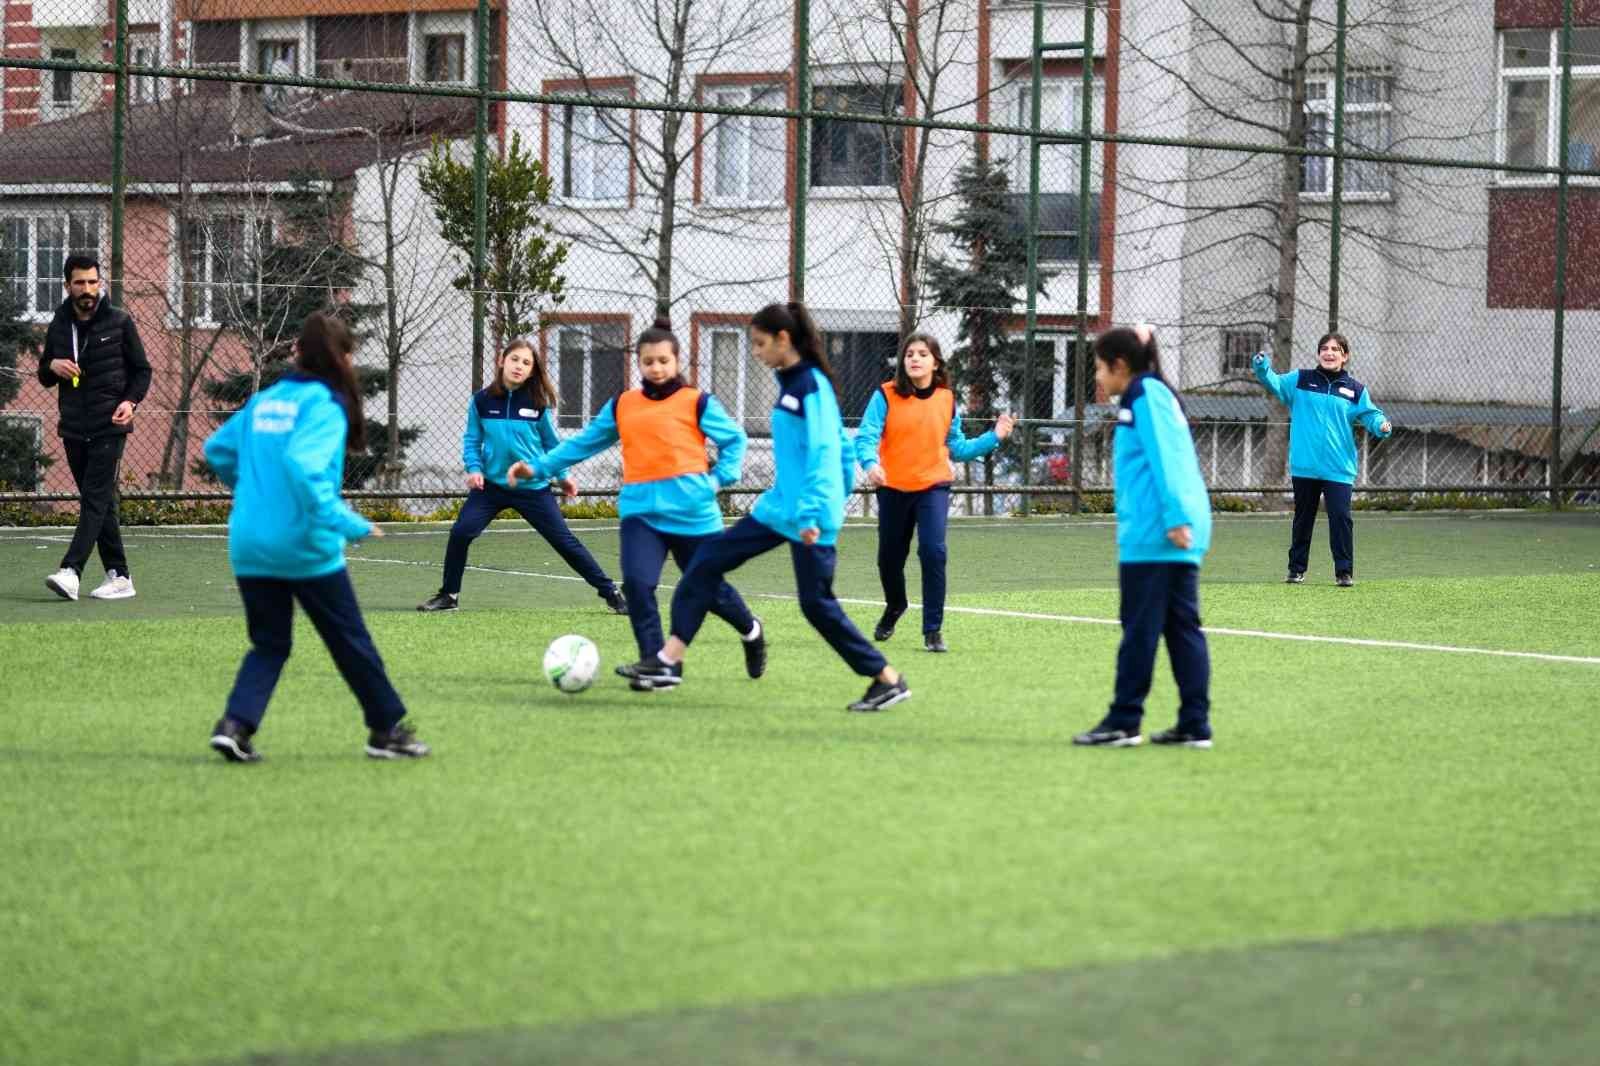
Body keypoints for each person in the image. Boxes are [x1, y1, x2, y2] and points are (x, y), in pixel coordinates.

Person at [626, 302, 910, 712]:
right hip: (780, 509)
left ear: (783, 340)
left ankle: (886, 679)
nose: (755, 352)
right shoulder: (793, 381)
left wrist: (817, 510)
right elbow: (841, 450)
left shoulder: (810, 385)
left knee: (817, 606)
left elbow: (826, 450)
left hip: (808, 516)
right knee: (705, 562)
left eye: (760, 344)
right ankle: (669, 661)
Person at [202, 312, 428, 762]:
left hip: (250, 542)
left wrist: (255, 493)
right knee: (350, 640)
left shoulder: (265, 401)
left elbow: (217, 451)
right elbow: (305, 470)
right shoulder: (324, 407)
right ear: (343, 357)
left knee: (269, 642)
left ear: (298, 353)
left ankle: (235, 726)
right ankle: (385, 732)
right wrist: (350, 523)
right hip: (303, 544)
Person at [508, 317, 767, 686]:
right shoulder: (623, 405)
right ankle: (657, 664)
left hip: (694, 516)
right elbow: (581, 444)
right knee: (637, 584)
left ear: (677, 362)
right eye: (649, 362)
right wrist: (536, 469)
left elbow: (734, 441)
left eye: (664, 361)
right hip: (641, 514)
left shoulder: (697, 402)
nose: (656, 368)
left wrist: (718, 479)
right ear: (639, 363)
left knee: (708, 591)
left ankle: (751, 630)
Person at [1074, 325, 1214, 749]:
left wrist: (1174, 516)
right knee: (1181, 627)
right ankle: (1194, 723)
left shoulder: (1144, 395)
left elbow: (1166, 456)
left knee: (1139, 628)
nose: (1098, 377)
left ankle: (1123, 719)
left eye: (1099, 367)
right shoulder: (1155, 392)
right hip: (1170, 529)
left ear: (1120, 365)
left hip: (1158, 532)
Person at [416, 338, 625, 614]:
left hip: (533, 488)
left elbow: (553, 445)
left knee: (564, 541)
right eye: (515, 359)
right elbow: (471, 440)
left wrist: (563, 476)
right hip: (490, 488)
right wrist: (475, 469)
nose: (519, 366)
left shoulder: (538, 403)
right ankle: (448, 596)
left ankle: (612, 594)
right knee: (461, 532)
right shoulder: (481, 401)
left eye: (526, 363)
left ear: (531, 371)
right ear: (502, 361)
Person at [853, 332, 1015, 653]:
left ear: (935, 362)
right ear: (902, 361)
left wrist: (994, 436)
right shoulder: (884, 395)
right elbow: (866, 437)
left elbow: (957, 448)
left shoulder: (947, 399)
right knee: (889, 560)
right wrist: (871, 464)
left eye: (922, 354)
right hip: (893, 488)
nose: (914, 358)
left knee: (933, 552)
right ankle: (895, 605)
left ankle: (932, 630)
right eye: (909, 353)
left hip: (933, 487)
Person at [38, 254, 150, 602]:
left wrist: (130, 402)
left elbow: (142, 371)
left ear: (100, 283)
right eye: (79, 282)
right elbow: (44, 374)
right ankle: (120, 576)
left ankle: (71, 570)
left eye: (92, 281)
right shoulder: (58, 324)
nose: (87, 289)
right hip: (73, 427)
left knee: (95, 498)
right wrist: (52, 365)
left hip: (109, 426)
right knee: (99, 502)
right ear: (67, 285)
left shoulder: (119, 322)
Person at [1252, 334, 1392, 587]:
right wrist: (1262, 367)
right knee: (1303, 518)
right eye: (1324, 349)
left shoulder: (1355, 390)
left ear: (1345, 356)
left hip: (1339, 468)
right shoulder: (1300, 380)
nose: (1329, 353)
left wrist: (1381, 425)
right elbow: (1273, 382)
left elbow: (1371, 415)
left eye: (1335, 349)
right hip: (1305, 467)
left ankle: (1344, 572)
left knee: (1340, 517)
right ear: (1318, 354)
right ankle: (1296, 570)